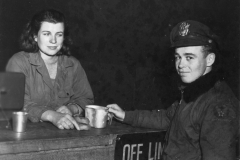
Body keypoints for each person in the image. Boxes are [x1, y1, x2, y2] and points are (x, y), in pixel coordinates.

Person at [107, 20, 239, 159]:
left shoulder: (219, 105)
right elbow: (167, 117)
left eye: (189, 57)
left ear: (210, 59)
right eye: (178, 57)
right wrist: (125, 115)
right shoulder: (195, 92)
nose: (180, 64)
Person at [6, 9, 94, 130]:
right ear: (35, 36)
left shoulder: (73, 64)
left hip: (65, 134)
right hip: (26, 134)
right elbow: (17, 104)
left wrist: (71, 109)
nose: (53, 40)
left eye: (59, 34)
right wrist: (52, 115)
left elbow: (86, 98)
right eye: (47, 34)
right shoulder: (18, 62)